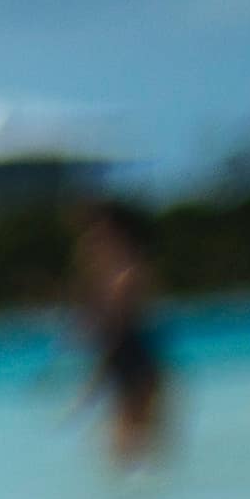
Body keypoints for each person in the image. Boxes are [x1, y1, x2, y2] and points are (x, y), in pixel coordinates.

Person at [65, 196, 175, 473]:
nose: (88, 240)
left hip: (134, 364)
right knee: (139, 457)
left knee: (131, 455)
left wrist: (91, 383)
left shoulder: (125, 275)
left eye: (95, 232)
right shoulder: (119, 274)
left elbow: (117, 330)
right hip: (133, 362)